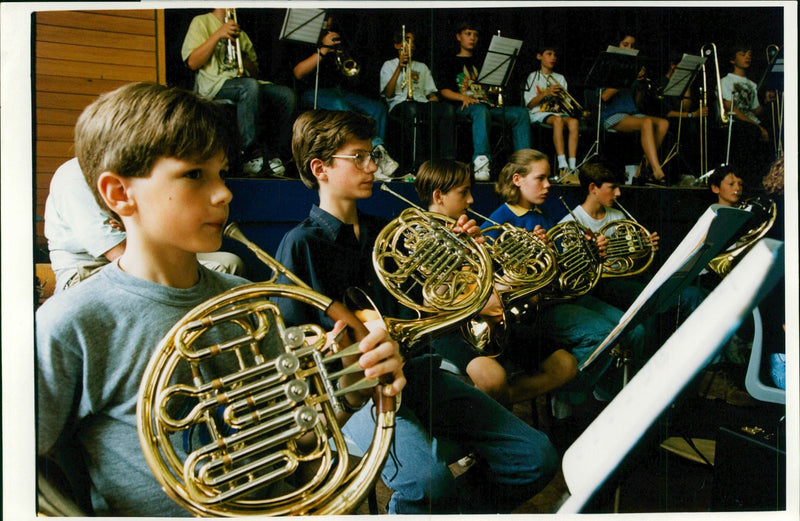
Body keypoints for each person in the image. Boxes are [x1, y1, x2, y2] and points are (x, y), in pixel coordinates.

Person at [36, 83, 405, 516]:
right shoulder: (71, 323)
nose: (224, 193)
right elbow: (26, 474)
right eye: (195, 174)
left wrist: (349, 388)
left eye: (221, 173)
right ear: (120, 194)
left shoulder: (251, 308)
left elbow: (292, 446)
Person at [274, 109, 558, 514]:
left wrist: (468, 254)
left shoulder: (385, 230)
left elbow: (430, 303)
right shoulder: (300, 244)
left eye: (372, 155)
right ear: (320, 168)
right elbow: (295, 347)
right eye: (359, 157)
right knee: (427, 484)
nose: (373, 166)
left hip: (420, 371)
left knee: (537, 456)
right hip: (360, 394)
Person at [484, 149, 645, 410]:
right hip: (537, 309)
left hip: (565, 297)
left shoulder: (544, 216)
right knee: (602, 334)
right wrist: (529, 257)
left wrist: (592, 252)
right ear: (517, 180)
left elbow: (566, 267)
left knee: (635, 330)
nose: (548, 185)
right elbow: (495, 281)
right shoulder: (497, 222)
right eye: (541, 178)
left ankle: (604, 399)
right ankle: (568, 398)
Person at [415, 158, 578, 403]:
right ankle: (495, 405)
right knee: (492, 379)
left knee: (565, 365)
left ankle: (502, 401)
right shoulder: (417, 236)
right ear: (439, 196)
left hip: (495, 323)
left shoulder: (470, 229)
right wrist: (468, 268)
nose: (471, 200)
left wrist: (530, 253)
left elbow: (505, 281)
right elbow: (431, 304)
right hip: (450, 329)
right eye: (463, 192)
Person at [44, 157, 244, 293]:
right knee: (219, 270)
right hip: (88, 271)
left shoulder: (130, 167)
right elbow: (118, 253)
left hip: (143, 250)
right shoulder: (74, 176)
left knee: (230, 262)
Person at [182, 8, 297, 177]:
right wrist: (218, 34)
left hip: (242, 81)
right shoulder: (200, 22)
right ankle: (249, 155)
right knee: (248, 87)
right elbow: (192, 62)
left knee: (286, 95)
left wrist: (241, 55)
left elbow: (254, 71)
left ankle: (274, 155)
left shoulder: (238, 30)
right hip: (214, 83)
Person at [292, 17, 398, 180]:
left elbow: (351, 77)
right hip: (312, 91)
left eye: (329, 19)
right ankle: (375, 151)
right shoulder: (306, 39)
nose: (328, 22)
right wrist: (324, 50)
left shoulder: (336, 41)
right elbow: (298, 73)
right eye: (325, 19)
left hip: (338, 90)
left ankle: (377, 156)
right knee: (340, 106)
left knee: (377, 108)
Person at [436, 21, 531, 182]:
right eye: (468, 34)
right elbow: (443, 91)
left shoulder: (483, 62)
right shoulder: (449, 61)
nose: (472, 38)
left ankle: (526, 164)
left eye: (475, 35)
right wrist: (463, 97)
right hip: (463, 107)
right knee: (480, 110)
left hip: (486, 106)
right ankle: (481, 161)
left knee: (520, 114)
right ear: (459, 37)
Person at [380, 28, 455, 170]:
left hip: (421, 103)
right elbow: (388, 94)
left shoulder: (422, 67)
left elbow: (431, 94)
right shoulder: (388, 65)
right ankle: (420, 163)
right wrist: (399, 67)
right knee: (411, 109)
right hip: (399, 105)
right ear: (397, 46)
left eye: (412, 42)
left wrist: (434, 103)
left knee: (448, 109)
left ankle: (447, 161)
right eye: (407, 41)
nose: (411, 45)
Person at [600, 32, 669, 184]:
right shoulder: (607, 66)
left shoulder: (629, 67)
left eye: (632, 46)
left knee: (664, 123)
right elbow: (604, 97)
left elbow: (636, 104)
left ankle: (642, 169)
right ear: (615, 46)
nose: (629, 48)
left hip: (629, 113)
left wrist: (640, 85)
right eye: (625, 45)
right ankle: (656, 170)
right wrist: (628, 77)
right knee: (646, 123)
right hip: (610, 115)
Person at [523, 44, 582, 181]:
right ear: (539, 56)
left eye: (555, 55)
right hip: (538, 113)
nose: (553, 58)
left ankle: (573, 165)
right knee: (558, 120)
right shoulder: (533, 77)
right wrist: (546, 93)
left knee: (574, 122)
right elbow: (529, 104)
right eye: (549, 54)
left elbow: (565, 104)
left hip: (557, 113)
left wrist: (560, 99)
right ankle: (562, 164)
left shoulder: (560, 78)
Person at [719, 43, 775, 185]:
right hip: (739, 124)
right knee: (750, 132)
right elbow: (730, 108)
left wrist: (766, 102)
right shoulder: (725, 81)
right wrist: (757, 126)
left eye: (749, 54)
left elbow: (756, 110)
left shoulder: (752, 84)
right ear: (733, 60)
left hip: (753, 123)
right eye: (743, 54)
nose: (748, 57)